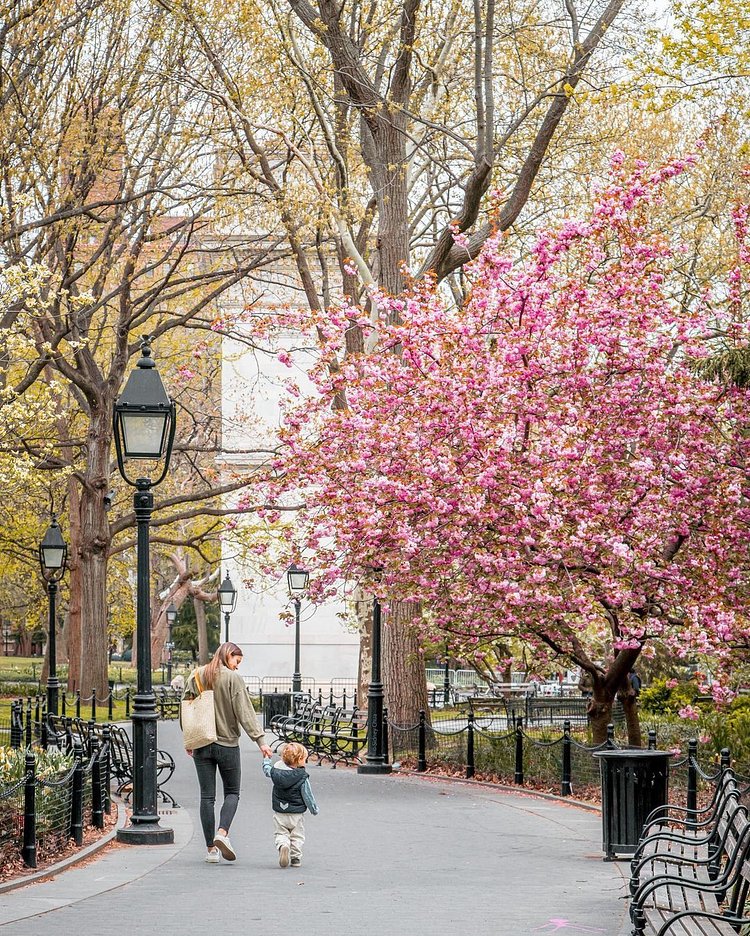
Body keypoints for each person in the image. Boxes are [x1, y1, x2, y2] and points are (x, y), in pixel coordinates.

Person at [182, 641, 273, 863]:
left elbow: (186, 709)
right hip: (227, 745)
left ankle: (210, 851)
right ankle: (222, 833)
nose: (237, 666)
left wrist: (188, 739)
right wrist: (260, 740)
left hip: (202, 743)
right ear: (228, 656)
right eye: (236, 661)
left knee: (207, 797)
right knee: (232, 792)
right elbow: (245, 712)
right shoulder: (233, 679)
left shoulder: (196, 675)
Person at [262, 742, 319, 868]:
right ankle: (295, 858)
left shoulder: (275, 771)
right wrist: (314, 809)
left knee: (281, 833)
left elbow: (267, 770)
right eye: (305, 758)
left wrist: (266, 760)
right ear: (299, 760)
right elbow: (307, 795)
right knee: (297, 836)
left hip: (280, 812)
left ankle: (283, 846)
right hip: (296, 814)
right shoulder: (302, 776)